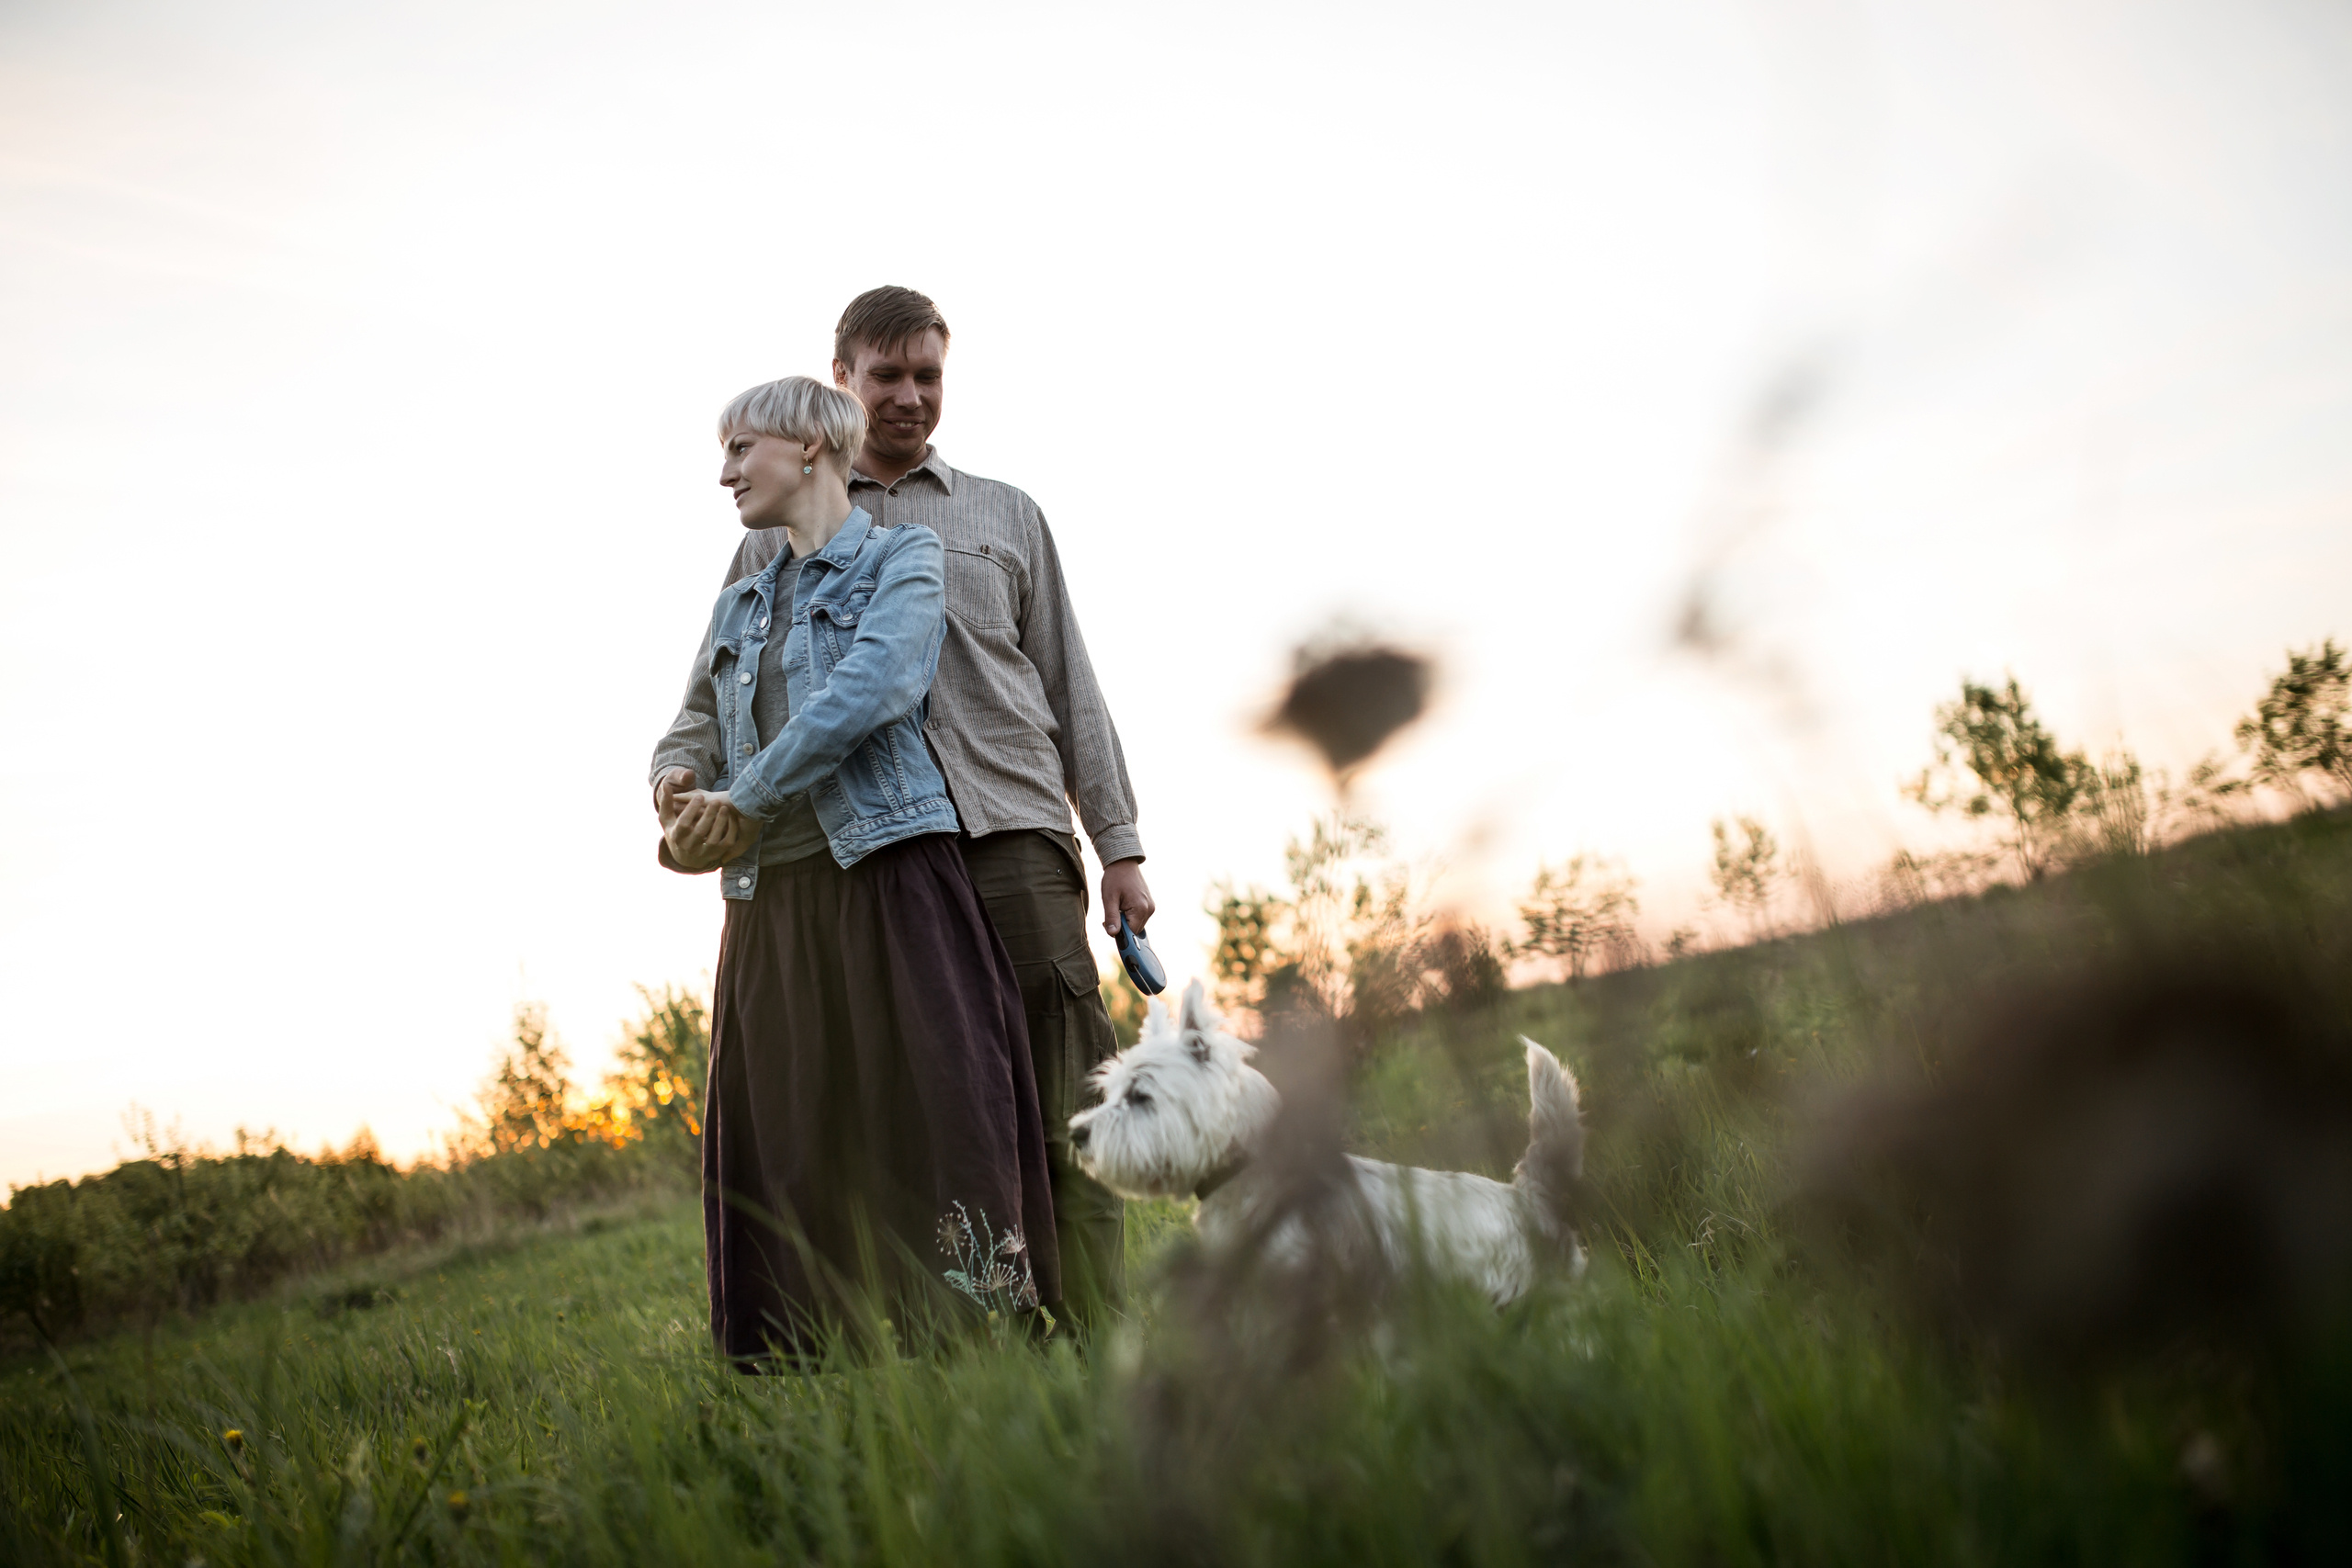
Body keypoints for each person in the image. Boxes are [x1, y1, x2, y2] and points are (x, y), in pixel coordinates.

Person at [669, 286, 1149, 1332]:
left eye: (927, 375)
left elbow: (1071, 684)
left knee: (1062, 1099)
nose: (910, 396)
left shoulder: (1001, 513)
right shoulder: (771, 541)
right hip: (872, 863)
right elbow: (722, 691)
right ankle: (966, 1343)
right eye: (887, 376)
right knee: (931, 1116)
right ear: (837, 385)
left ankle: (1101, 1344)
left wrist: (1118, 846)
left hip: (1010, 830)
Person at [651, 375, 1057, 1367]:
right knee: (789, 1140)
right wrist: (674, 791)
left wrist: (743, 799)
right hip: (770, 901)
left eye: (742, 447)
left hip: (891, 876)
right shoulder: (743, 593)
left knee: (939, 1118)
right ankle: (806, 1373)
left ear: (812, 448)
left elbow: (875, 685)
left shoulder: (903, 558)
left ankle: (979, 1347)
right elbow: (694, 719)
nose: (725, 472)